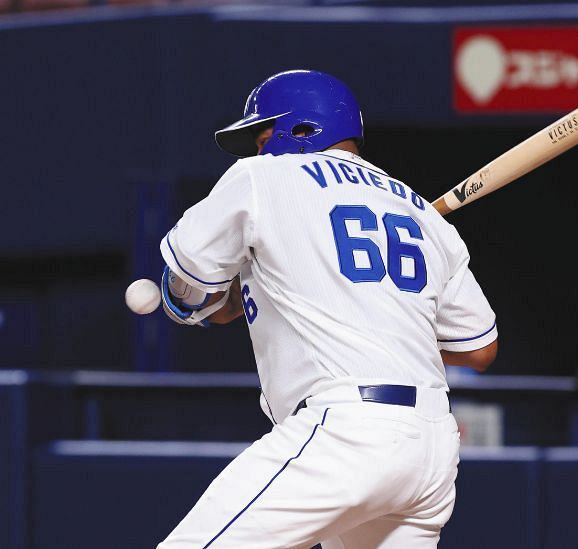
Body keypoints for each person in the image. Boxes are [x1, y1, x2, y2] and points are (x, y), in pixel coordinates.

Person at [157, 70, 498, 549]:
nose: (258, 151)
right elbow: (480, 349)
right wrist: (387, 331)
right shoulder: (420, 211)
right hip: (432, 451)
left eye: (262, 138)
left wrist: (205, 300)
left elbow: (190, 288)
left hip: (345, 432)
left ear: (298, 130)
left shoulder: (263, 175)